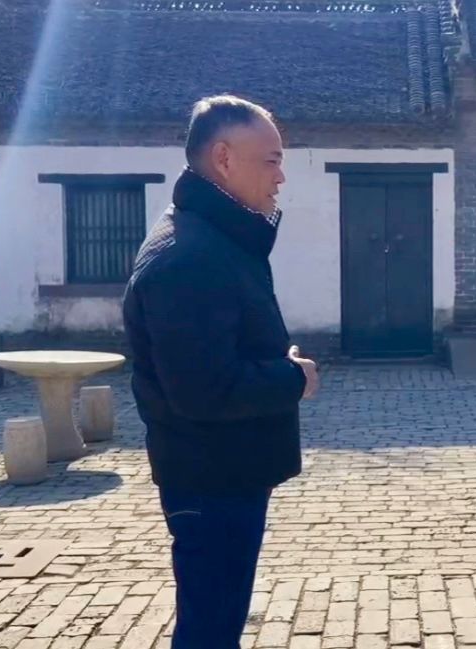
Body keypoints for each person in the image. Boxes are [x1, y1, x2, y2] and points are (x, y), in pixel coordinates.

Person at [122, 94, 319, 649]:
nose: (280, 178)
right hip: (210, 479)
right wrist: (293, 379)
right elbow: (204, 391)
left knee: (218, 620)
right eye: (271, 160)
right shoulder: (188, 257)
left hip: (227, 471)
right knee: (209, 629)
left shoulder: (216, 239)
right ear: (224, 159)